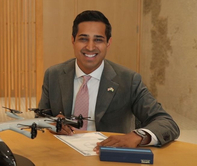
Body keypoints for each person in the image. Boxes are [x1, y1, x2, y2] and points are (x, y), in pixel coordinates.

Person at [38, 10, 179, 151]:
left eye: (98, 40)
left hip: (108, 158)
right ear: (73, 40)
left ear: (108, 43)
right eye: (83, 39)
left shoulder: (128, 80)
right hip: (62, 154)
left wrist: (137, 136)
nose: (90, 47)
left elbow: (166, 123)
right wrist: (52, 123)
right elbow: (40, 117)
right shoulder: (54, 75)